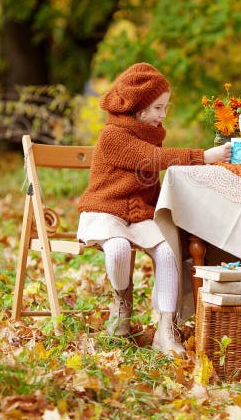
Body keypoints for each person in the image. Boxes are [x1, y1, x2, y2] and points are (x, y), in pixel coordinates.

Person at [77, 62, 231, 356]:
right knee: (119, 248)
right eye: (158, 108)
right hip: (105, 209)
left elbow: (155, 160)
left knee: (168, 251)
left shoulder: (151, 131)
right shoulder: (112, 135)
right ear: (138, 108)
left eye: (165, 108)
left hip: (137, 212)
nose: (163, 115)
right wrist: (203, 156)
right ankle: (122, 303)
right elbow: (152, 158)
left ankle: (165, 327)